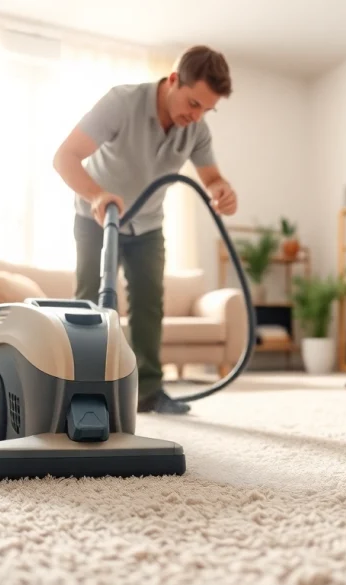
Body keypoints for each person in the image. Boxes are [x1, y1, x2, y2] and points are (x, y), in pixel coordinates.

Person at [52, 45, 238, 415]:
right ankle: (82, 388)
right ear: (173, 80)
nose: (196, 116)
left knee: (150, 305)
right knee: (90, 303)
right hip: (98, 217)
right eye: (193, 103)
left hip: (148, 225)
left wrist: (223, 191)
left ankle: (148, 392)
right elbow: (64, 157)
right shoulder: (121, 103)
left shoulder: (196, 130)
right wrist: (96, 195)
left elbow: (213, 179)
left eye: (206, 109)